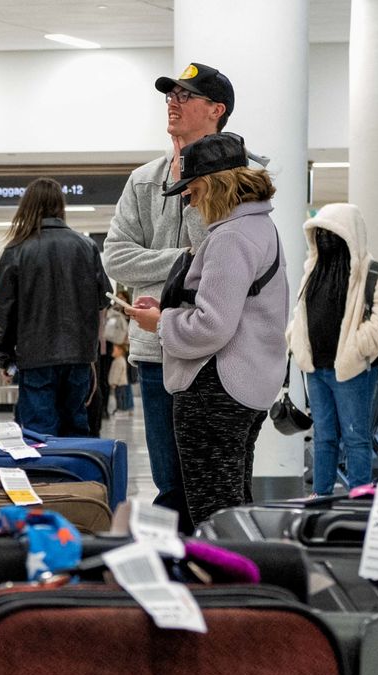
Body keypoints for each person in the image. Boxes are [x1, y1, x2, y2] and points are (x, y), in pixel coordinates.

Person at [126, 132, 287, 528]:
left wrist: (160, 323)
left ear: (214, 185)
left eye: (193, 190)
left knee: (211, 512)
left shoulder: (230, 237)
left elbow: (212, 326)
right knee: (232, 502)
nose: (189, 200)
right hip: (245, 385)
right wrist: (167, 309)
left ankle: (222, 585)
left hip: (214, 388)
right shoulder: (260, 228)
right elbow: (232, 308)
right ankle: (243, 580)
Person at [105, 62, 234, 527]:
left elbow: (224, 260)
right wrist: (182, 258)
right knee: (169, 482)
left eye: (187, 95)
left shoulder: (237, 180)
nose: (173, 103)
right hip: (155, 350)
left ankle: (218, 577)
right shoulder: (144, 179)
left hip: (216, 352)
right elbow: (115, 257)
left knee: (213, 481)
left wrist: (193, 185)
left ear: (216, 110)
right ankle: (176, 576)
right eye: (170, 95)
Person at [286, 203, 378, 494]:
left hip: (352, 370)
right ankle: (320, 499)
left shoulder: (373, 273)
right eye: (320, 233)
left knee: (356, 438)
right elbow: (302, 312)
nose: (325, 239)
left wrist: (359, 347)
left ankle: (357, 500)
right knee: (324, 437)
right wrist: (294, 338)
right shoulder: (313, 270)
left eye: (332, 233)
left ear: (349, 235)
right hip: (316, 368)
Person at [0, 178, 111, 437]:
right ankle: (75, 476)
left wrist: (5, 357)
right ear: (60, 206)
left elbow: (5, 311)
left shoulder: (16, 250)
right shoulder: (87, 246)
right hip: (79, 355)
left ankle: (44, 476)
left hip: (35, 357)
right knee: (76, 427)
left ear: (27, 207)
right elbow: (104, 299)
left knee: (38, 433)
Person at [109, 342, 133, 415]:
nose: (112, 351)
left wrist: (114, 382)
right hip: (120, 383)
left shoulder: (119, 361)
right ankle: (120, 408)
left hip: (120, 384)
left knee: (120, 397)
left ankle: (121, 409)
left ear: (120, 351)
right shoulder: (119, 360)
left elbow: (117, 373)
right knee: (119, 397)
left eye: (114, 350)